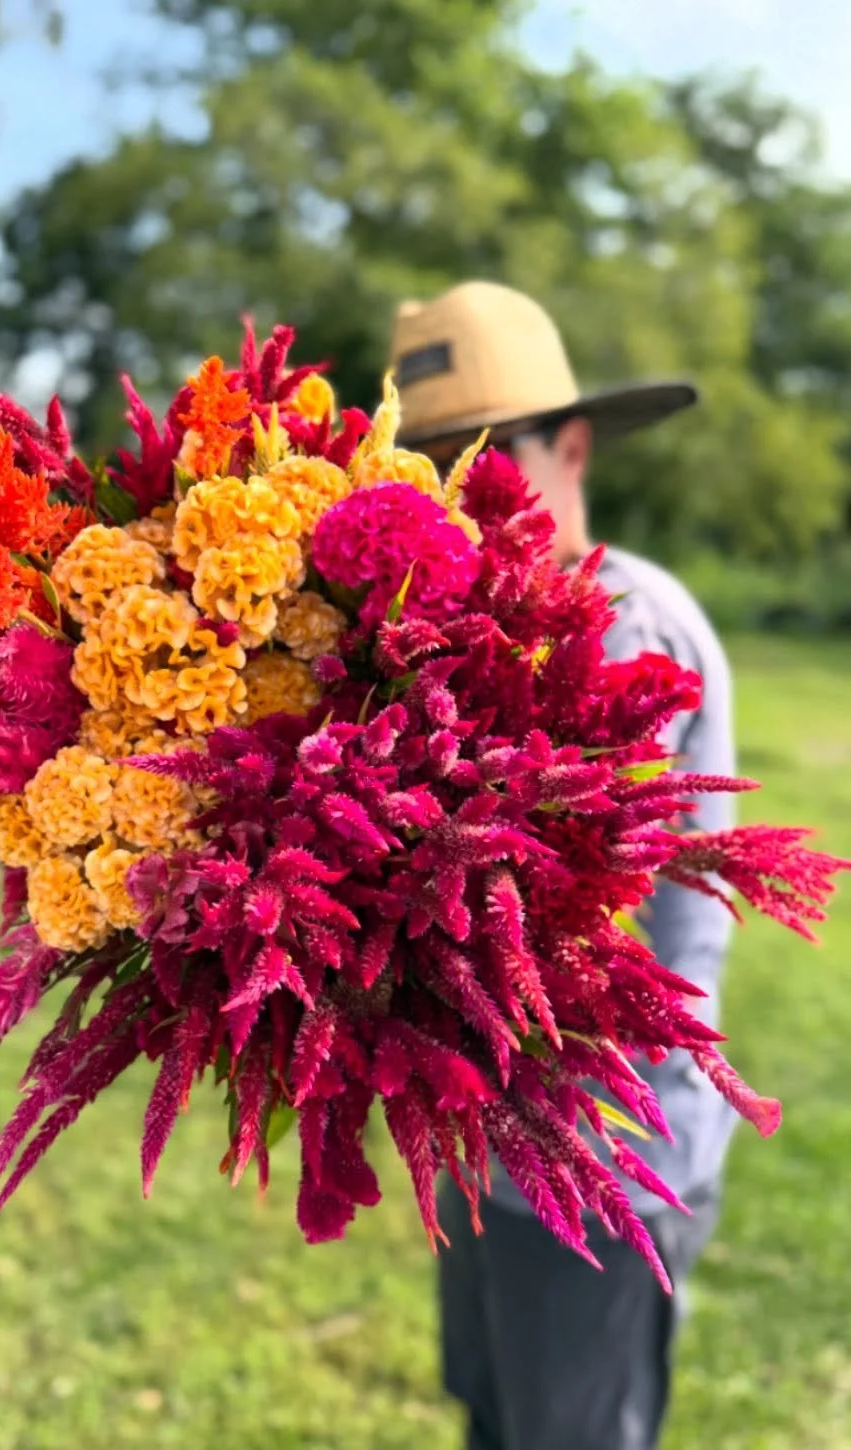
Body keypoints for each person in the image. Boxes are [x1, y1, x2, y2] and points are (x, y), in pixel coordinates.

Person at [388, 280, 737, 1450]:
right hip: (487, 1135)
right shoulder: (443, 630)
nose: (457, 492)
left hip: (601, 1156)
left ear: (570, 444)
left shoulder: (623, 632)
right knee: (494, 1415)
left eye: (481, 453)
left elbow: (546, 905)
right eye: (425, 464)